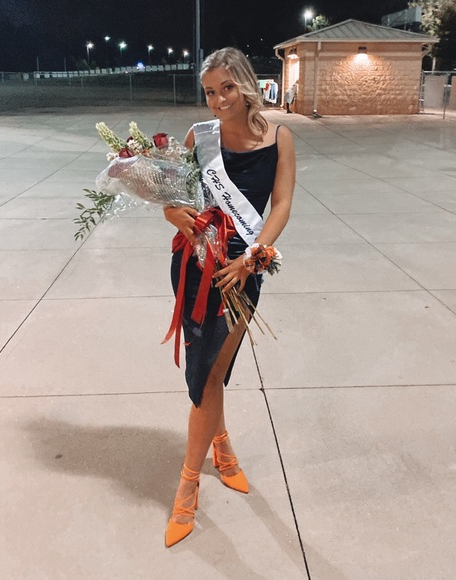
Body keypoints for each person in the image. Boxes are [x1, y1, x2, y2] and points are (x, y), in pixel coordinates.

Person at [162, 47, 295, 547]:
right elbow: (174, 199)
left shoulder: (279, 138)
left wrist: (255, 255)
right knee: (208, 372)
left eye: (227, 88)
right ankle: (216, 452)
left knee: (212, 372)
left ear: (245, 83)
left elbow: (281, 204)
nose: (218, 100)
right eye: (210, 92)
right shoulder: (199, 137)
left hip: (242, 273)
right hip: (194, 267)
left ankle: (188, 484)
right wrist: (171, 212)